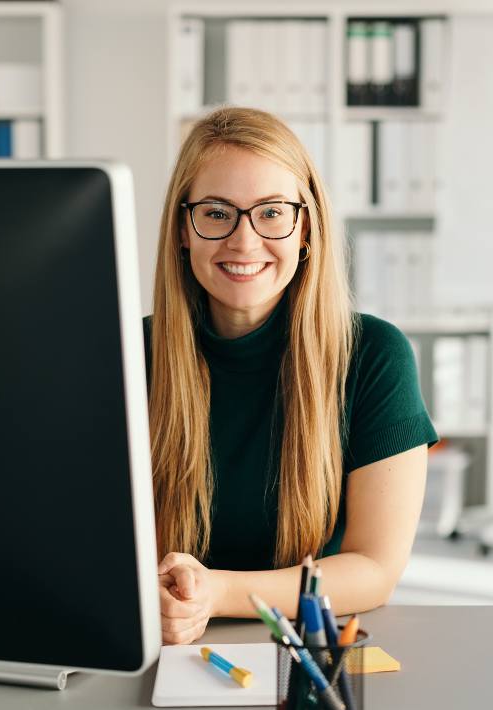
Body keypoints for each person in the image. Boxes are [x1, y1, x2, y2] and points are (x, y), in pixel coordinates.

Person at [146, 107, 437, 645]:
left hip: (309, 653)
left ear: (306, 227)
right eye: (216, 212)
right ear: (182, 230)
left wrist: (216, 594)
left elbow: (375, 570)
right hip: (160, 646)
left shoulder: (373, 355)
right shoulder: (129, 355)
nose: (244, 240)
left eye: (272, 212)